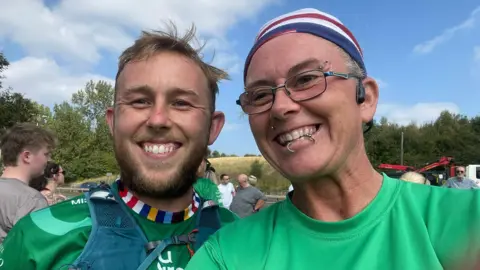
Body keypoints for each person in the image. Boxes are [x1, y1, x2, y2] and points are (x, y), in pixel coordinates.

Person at [186, 8, 480, 269]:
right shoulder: (227, 255)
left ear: (365, 99)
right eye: (261, 95)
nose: (280, 107)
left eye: (306, 79)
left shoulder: (463, 219)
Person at [0, 24, 238, 270]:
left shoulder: (244, 238)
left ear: (213, 127)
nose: (158, 120)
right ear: (113, 122)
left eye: (181, 103)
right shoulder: (38, 236)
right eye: (140, 101)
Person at [0, 123, 55, 243]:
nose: (48, 160)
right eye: (46, 154)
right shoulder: (32, 200)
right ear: (27, 156)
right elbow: (37, 252)